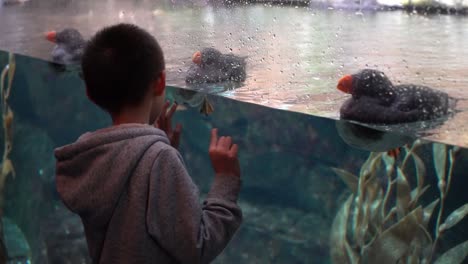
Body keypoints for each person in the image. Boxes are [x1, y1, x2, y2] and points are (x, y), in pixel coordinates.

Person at [54, 23, 243, 264]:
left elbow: (133, 211)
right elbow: (197, 246)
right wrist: (226, 179)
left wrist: (159, 146)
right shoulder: (159, 160)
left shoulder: (91, 156)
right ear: (161, 82)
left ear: (89, 93)